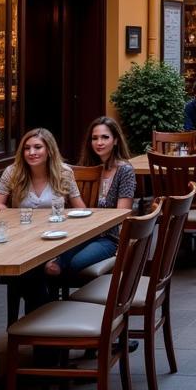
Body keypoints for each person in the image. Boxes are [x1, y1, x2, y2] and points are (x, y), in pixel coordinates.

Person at [0, 128, 86, 310]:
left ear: (49, 150)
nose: (32, 153)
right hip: (23, 239)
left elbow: (80, 208)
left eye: (37, 147)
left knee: (32, 269)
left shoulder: (63, 172)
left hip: (55, 239)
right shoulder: (12, 172)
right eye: (27, 148)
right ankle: (39, 319)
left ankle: (34, 320)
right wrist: (5, 211)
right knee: (29, 266)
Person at [50, 116, 137, 279]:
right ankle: (49, 300)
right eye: (95, 138)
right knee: (52, 261)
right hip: (84, 232)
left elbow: (123, 214)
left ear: (116, 140)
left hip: (110, 237)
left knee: (74, 262)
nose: (99, 142)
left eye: (105, 137)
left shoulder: (124, 170)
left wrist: (123, 246)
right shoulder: (87, 168)